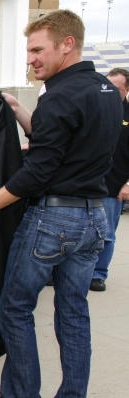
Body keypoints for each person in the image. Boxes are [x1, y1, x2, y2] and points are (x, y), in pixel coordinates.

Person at [0, 10, 121, 398]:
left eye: (38, 50)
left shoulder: (59, 96)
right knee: (74, 315)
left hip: (53, 220)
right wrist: (19, 108)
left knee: (15, 308)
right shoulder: (105, 90)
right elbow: (58, 143)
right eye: (30, 50)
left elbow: (36, 173)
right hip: (94, 218)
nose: (32, 59)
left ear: (67, 44)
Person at [91, 67, 129, 291]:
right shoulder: (94, 110)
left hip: (114, 184)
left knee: (105, 234)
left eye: (115, 87)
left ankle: (98, 273)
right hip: (87, 181)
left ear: (126, 89)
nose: (108, 91)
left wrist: (127, 184)